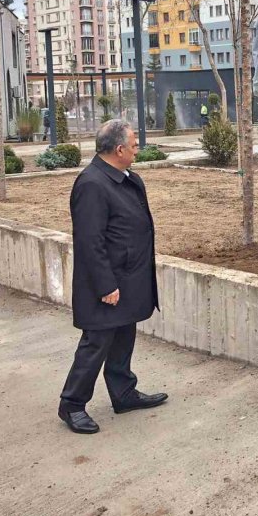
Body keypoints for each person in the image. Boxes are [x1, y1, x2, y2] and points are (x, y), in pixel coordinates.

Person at [58, 120, 168, 434]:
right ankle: (72, 404)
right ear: (119, 150)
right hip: (108, 282)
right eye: (134, 145)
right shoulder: (92, 184)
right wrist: (106, 284)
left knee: (123, 335)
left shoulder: (126, 178)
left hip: (129, 276)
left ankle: (123, 393)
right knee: (97, 342)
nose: (137, 150)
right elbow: (89, 241)